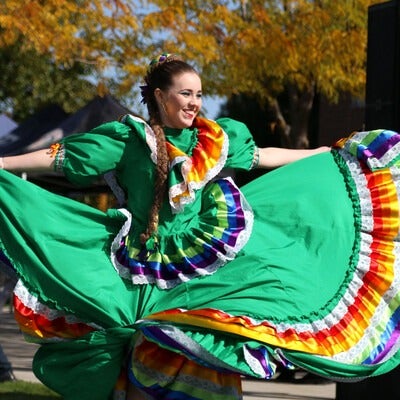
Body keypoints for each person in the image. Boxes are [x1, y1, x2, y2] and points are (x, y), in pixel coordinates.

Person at [0, 52, 400, 400]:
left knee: (201, 340)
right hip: (142, 263)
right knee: (142, 344)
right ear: (159, 96)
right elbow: (60, 158)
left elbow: (261, 156)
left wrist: (321, 155)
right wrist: (3, 164)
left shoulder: (213, 140)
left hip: (206, 259)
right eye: (185, 93)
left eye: (199, 94)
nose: (194, 103)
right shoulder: (129, 139)